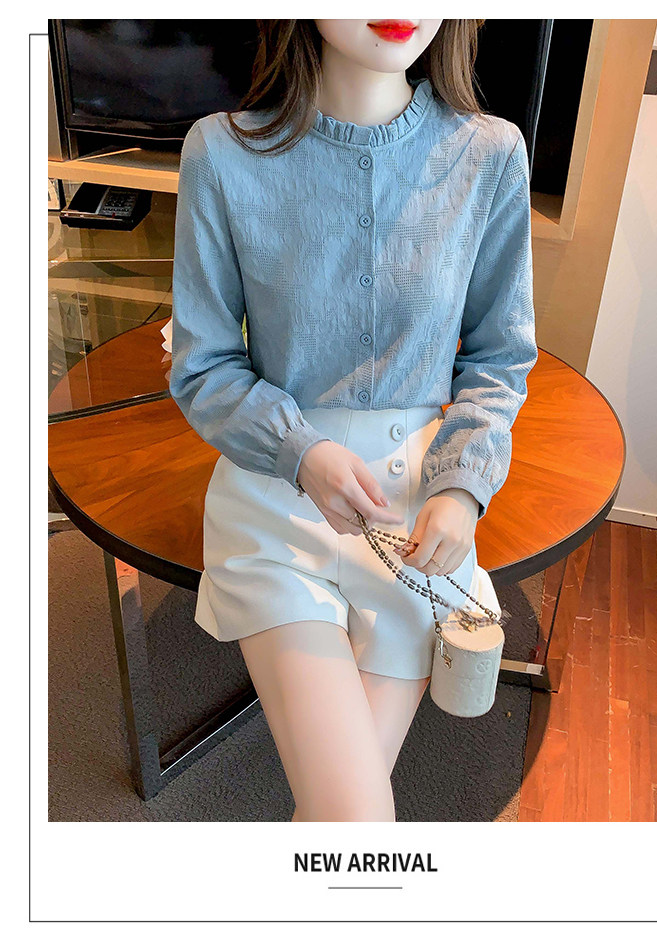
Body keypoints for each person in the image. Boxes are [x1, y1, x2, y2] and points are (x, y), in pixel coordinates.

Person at [168, 19, 538, 821]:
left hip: (412, 527)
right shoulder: (221, 153)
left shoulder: (489, 154)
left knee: (340, 820)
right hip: (276, 503)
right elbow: (201, 365)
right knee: (356, 816)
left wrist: (462, 487)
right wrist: (300, 451)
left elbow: (500, 358)